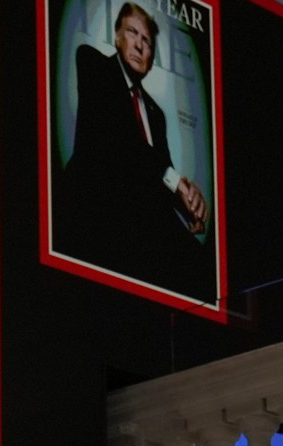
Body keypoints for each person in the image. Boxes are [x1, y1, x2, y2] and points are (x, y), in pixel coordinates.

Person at [55, 2, 215, 301]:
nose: (140, 46)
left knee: (200, 268)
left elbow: (158, 175)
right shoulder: (93, 64)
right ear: (117, 37)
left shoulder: (156, 113)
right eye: (133, 33)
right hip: (94, 213)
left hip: (142, 230)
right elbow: (120, 139)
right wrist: (175, 180)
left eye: (147, 42)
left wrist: (188, 204)